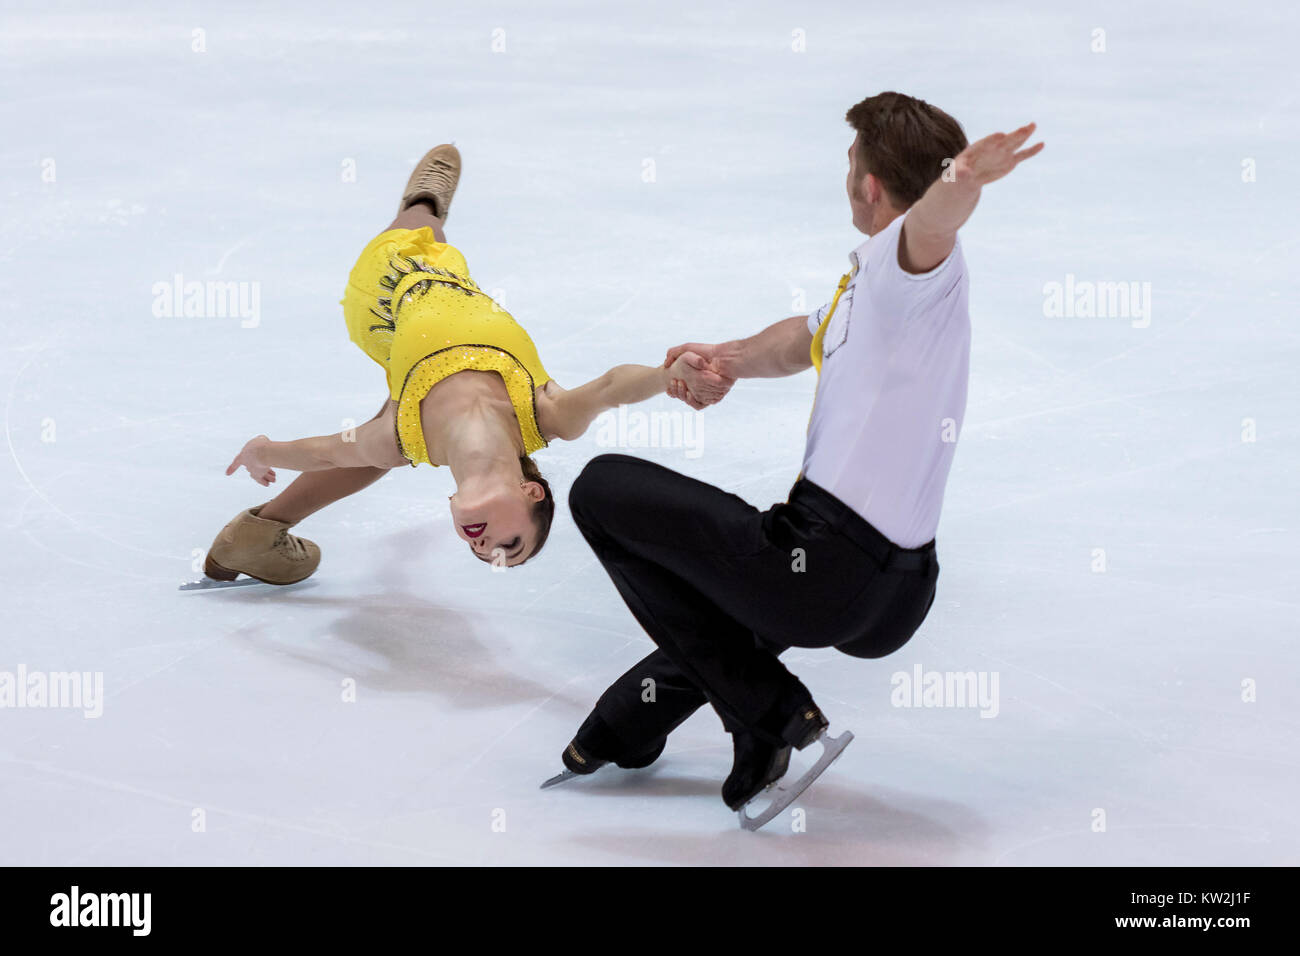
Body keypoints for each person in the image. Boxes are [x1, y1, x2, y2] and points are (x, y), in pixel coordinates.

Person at [554, 92, 1044, 812]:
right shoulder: (870, 288)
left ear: (868, 184)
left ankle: (775, 713)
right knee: (734, 602)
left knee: (601, 492)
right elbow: (797, 340)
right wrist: (721, 359)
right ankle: (632, 727)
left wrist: (962, 182)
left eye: (851, 163)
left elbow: (934, 224)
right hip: (895, 593)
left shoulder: (911, 267)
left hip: (824, 568)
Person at [208, 144, 728, 581]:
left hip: (389, 296)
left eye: (481, 555)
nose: (487, 550)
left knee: (413, 236)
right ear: (531, 491)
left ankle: (423, 204)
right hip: (457, 285)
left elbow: (325, 453)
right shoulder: (548, 418)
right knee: (433, 237)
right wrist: (666, 377)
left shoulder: (400, 440)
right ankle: (254, 535)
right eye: (511, 544)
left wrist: (264, 449)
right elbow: (614, 386)